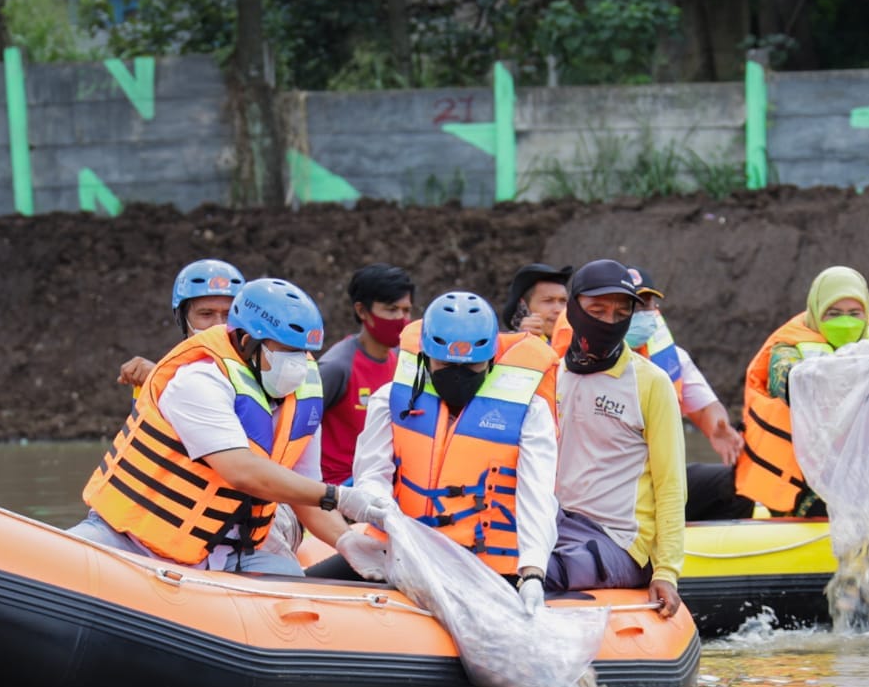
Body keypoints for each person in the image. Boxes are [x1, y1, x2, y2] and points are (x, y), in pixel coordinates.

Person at [67, 278, 393, 578]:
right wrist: (340, 497)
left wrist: (346, 539)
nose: (299, 363)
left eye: (304, 352)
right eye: (287, 351)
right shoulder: (200, 380)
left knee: (297, 605)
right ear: (249, 342)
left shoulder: (303, 395)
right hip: (130, 537)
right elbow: (242, 471)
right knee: (65, 566)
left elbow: (304, 490)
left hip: (230, 552)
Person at [311, 291, 560, 617]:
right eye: (445, 364)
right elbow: (372, 473)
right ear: (426, 356)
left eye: (471, 365)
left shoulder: (530, 411)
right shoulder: (390, 399)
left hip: (486, 565)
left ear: (491, 360)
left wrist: (532, 571)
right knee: (307, 589)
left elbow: (537, 497)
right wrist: (385, 514)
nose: (458, 374)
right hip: (404, 553)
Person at [690, 265, 869, 520]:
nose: (845, 322)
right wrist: (847, 372)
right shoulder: (786, 350)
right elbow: (787, 382)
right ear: (816, 312)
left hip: (854, 473)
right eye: (833, 314)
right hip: (799, 481)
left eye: (854, 313)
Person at [551, 259, 686, 619]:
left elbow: (671, 483)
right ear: (573, 309)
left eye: (620, 312)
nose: (609, 322)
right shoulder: (550, 374)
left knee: (547, 572)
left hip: (619, 541)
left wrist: (667, 572)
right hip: (553, 524)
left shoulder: (650, 382)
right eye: (597, 310)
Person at [624, 266, 744, 467]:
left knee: (729, 483)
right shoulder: (589, 359)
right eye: (630, 307)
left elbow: (706, 407)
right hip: (609, 474)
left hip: (659, 468)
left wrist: (717, 426)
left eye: (645, 306)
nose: (639, 314)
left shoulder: (673, 358)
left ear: (656, 311)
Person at [317, 263, 415, 485]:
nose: (402, 319)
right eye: (391, 310)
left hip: (381, 486)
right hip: (338, 495)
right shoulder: (337, 367)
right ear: (362, 311)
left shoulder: (403, 363)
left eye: (406, 310)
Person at [117, 258, 245, 388]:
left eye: (228, 315)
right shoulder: (174, 370)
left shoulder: (261, 366)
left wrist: (160, 380)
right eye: (206, 314)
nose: (219, 325)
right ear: (182, 318)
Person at [501, 263, 573, 340]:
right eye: (548, 301)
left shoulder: (580, 344)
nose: (559, 310)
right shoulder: (504, 347)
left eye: (563, 301)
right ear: (523, 307)